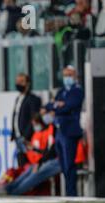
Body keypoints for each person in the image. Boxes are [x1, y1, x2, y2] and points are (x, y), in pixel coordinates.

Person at [45, 65, 84, 196]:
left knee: (69, 164)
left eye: (69, 75)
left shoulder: (77, 91)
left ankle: (72, 193)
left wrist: (56, 106)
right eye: (65, 75)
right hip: (59, 131)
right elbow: (50, 105)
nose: (67, 78)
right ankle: (68, 192)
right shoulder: (62, 91)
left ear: (75, 76)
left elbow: (68, 106)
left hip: (69, 132)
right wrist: (57, 105)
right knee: (63, 165)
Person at [6, 113, 61, 195]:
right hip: (48, 160)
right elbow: (47, 152)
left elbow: (52, 153)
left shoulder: (55, 130)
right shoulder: (49, 130)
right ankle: (9, 188)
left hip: (57, 161)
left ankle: (15, 192)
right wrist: (34, 149)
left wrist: (39, 163)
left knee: (36, 173)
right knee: (30, 169)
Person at [11, 73, 42, 167]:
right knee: (21, 165)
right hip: (18, 137)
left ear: (28, 84)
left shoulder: (33, 99)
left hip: (26, 138)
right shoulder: (18, 98)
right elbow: (16, 117)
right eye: (17, 82)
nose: (19, 84)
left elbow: (34, 119)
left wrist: (26, 136)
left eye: (21, 82)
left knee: (29, 165)